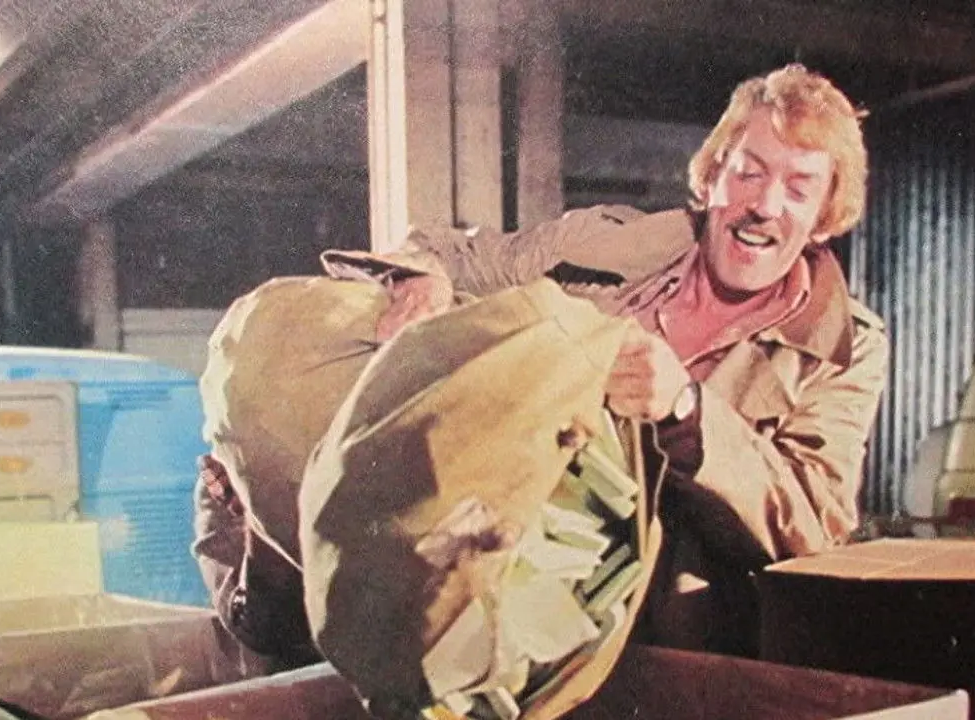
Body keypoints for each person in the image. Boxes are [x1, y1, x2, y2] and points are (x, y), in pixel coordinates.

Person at [320, 63, 888, 656]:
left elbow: (814, 523)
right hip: (495, 592)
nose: (765, 205)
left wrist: (686, 411)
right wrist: (424, 280)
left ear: (823, 215)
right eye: (749, 172)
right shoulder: (600, 242)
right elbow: (451, 251)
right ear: (714, 173)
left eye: (798, 188)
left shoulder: (848, 347)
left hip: (666, 645)